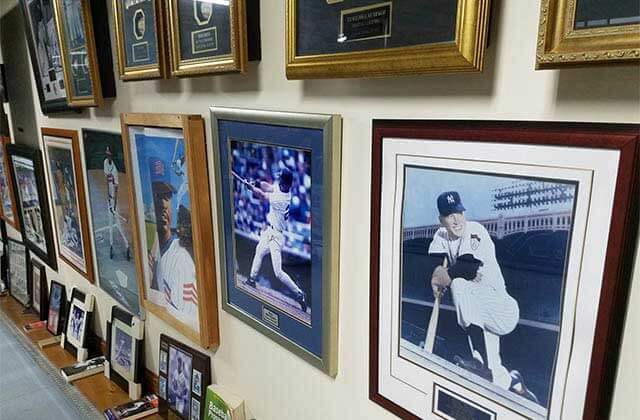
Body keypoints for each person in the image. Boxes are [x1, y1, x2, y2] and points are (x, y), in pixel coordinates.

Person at [428, 191, 538, 403]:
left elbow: (468, 268)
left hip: (501, 308)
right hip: (480, 310)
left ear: (464, 212)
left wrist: (445, 275)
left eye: (459, 212)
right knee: (495, 377)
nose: (456, 219)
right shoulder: (441, 235)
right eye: (449, 215)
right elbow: (432, 263)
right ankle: (513, 381)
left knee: (459, 283)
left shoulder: (475, 230)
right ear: (441, 219)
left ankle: (478, 362)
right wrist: (435, 275)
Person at [244, 167, 307, 311]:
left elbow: (263, 196)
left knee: (278, 273)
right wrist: (256, 182)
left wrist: (252, 189)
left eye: (281, 180)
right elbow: (269, 187)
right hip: (269, 231)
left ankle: (299, 294)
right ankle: (252, 279)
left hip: (277, 236)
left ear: (287, 184)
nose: (279, 182)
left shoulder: (283, 199)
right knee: (259, 250)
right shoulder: (281, 188)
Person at [147, 158, 198, 330]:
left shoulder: (181, 261)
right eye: (157, 197)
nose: (162, 204)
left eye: (166, 197)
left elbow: (188, 325)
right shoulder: (151, 254)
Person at [104, 146, 130, 260]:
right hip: (109, 198)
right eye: (107, 154)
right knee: (111, 223)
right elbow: (106, 180)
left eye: (109, 154)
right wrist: (108, 198)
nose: (108, 156)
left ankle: (126, 245)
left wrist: (113, 204)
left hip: (113, 199)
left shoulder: (114, 171)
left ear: (112, 156)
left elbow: (116, 188)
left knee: (116, 224)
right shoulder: (105, 162)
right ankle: (111, 246)